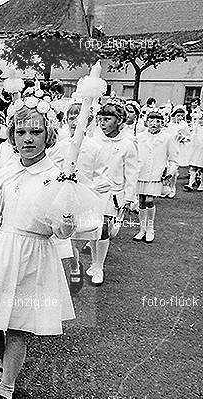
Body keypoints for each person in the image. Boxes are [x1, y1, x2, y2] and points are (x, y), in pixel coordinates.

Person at [0, 91, 76, 399]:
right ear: (11, 135)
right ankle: (4, 362)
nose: (28, 139)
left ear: (48, 135)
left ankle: (6, 388)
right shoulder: (5, 172)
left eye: (36, 132)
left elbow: (61, 231)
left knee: (16, 327)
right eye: (21, 132)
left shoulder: (58, 175)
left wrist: (65, 221)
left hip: (31, 255)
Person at [47, 102, 110, 293]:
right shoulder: (60, 146)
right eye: (72, 118)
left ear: (89, 121)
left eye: (80, 117)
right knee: (69, 233)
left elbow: (101, 173)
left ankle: (97, 265)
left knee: (96, 230)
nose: (76, 122)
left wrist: (100, 185)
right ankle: (74, 265)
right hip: (66, 196)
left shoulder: (95, 148)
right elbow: (51, 168)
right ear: (66, 121)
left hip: (89, 194)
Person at [88, 100, 138, 285]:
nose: (102, 123)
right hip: (94, 192)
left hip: (114, 193)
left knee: (104, 230)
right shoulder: (94, 141)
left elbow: (132, 173)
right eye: (100, 119)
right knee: (93, 229)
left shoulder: (128, 144)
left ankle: (99, 267)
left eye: (107, 119)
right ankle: (95, 263)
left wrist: (130, 197)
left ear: (119, 120)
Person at [133, 110, 178, 243]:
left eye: (158, 121)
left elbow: (174, 158)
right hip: (141, 173)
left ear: (162, 123)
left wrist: (169, 172)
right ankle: (142, 229)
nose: (154, 124)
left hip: (156, 174)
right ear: (147, 122)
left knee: (149, 200)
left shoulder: (167, 138)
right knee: (141, 200)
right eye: (152, 121)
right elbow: (134, 155)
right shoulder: (139, 137)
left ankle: (150, 228)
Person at [162, 105, 190, 198]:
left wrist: (183, 138)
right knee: (165, 169)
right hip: (166, 149)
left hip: (177, 148)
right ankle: (165, 189)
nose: (180, 118)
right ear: (174, 115)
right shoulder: (168, 125)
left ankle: (173, 188)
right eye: (178, 115)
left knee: (173, 170)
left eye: (182, 116)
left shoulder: (184, 125)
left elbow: (189, 137)